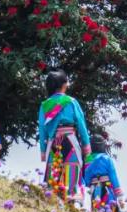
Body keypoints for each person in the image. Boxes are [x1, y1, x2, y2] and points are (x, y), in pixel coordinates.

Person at [38, 69, 91, 202]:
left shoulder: (45, 105)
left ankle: (51, 200)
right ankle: (71, 199)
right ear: (63, 84)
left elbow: (42, 129)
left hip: (53, 143)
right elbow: (81, 125)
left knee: (53, 173)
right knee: (72, 170)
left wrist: (43, 150)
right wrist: (86, 147)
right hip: (70, 140)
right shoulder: (71, 102)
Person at [83, 138, 125, 212]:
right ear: (103, 146)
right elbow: (113, 177)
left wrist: (89, 186)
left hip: (94, 190)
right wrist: (119, 195)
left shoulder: (88, 159)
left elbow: (87, 178)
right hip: (107, 189)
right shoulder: (107, 159)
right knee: (110, 210)